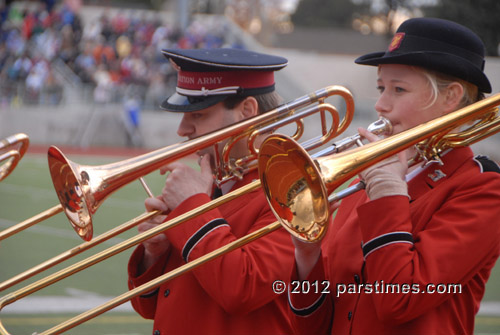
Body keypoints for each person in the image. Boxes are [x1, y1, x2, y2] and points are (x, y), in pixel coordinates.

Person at [288, 17, 500, 335]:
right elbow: (316, 325)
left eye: (398, 89)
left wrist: (388, 192)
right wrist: (307, 257)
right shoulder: (367, 179)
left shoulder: (481, 187)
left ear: (451, 97)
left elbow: (399, 301)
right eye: (380, 88)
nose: (381, 105)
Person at [127, 48, 295, 335]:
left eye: (199, 115)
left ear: (247, 111)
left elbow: (244, 289)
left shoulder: (292, 190)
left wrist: (193, 207)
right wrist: (155, 253)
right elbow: (150, 308)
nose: (182, 129)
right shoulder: (217, 183)